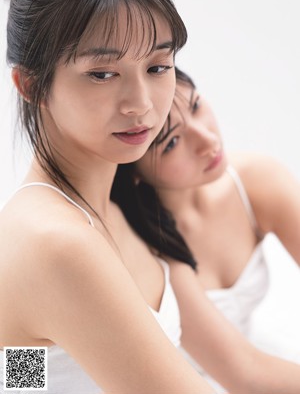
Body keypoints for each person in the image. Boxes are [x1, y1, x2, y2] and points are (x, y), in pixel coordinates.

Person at [0, 0, 218, 393]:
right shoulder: (54, 241)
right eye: (102, 74)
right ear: (31, 84)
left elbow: (25, 379)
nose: (140, 105)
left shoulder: (118, 204)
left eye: (158, 66)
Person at [112, 67, 300, 393]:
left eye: (196, 105)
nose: (208, 141)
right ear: (134, 167)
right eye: (171, 143)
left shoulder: (256, 179)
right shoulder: (142, 244)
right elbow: (244, 375)